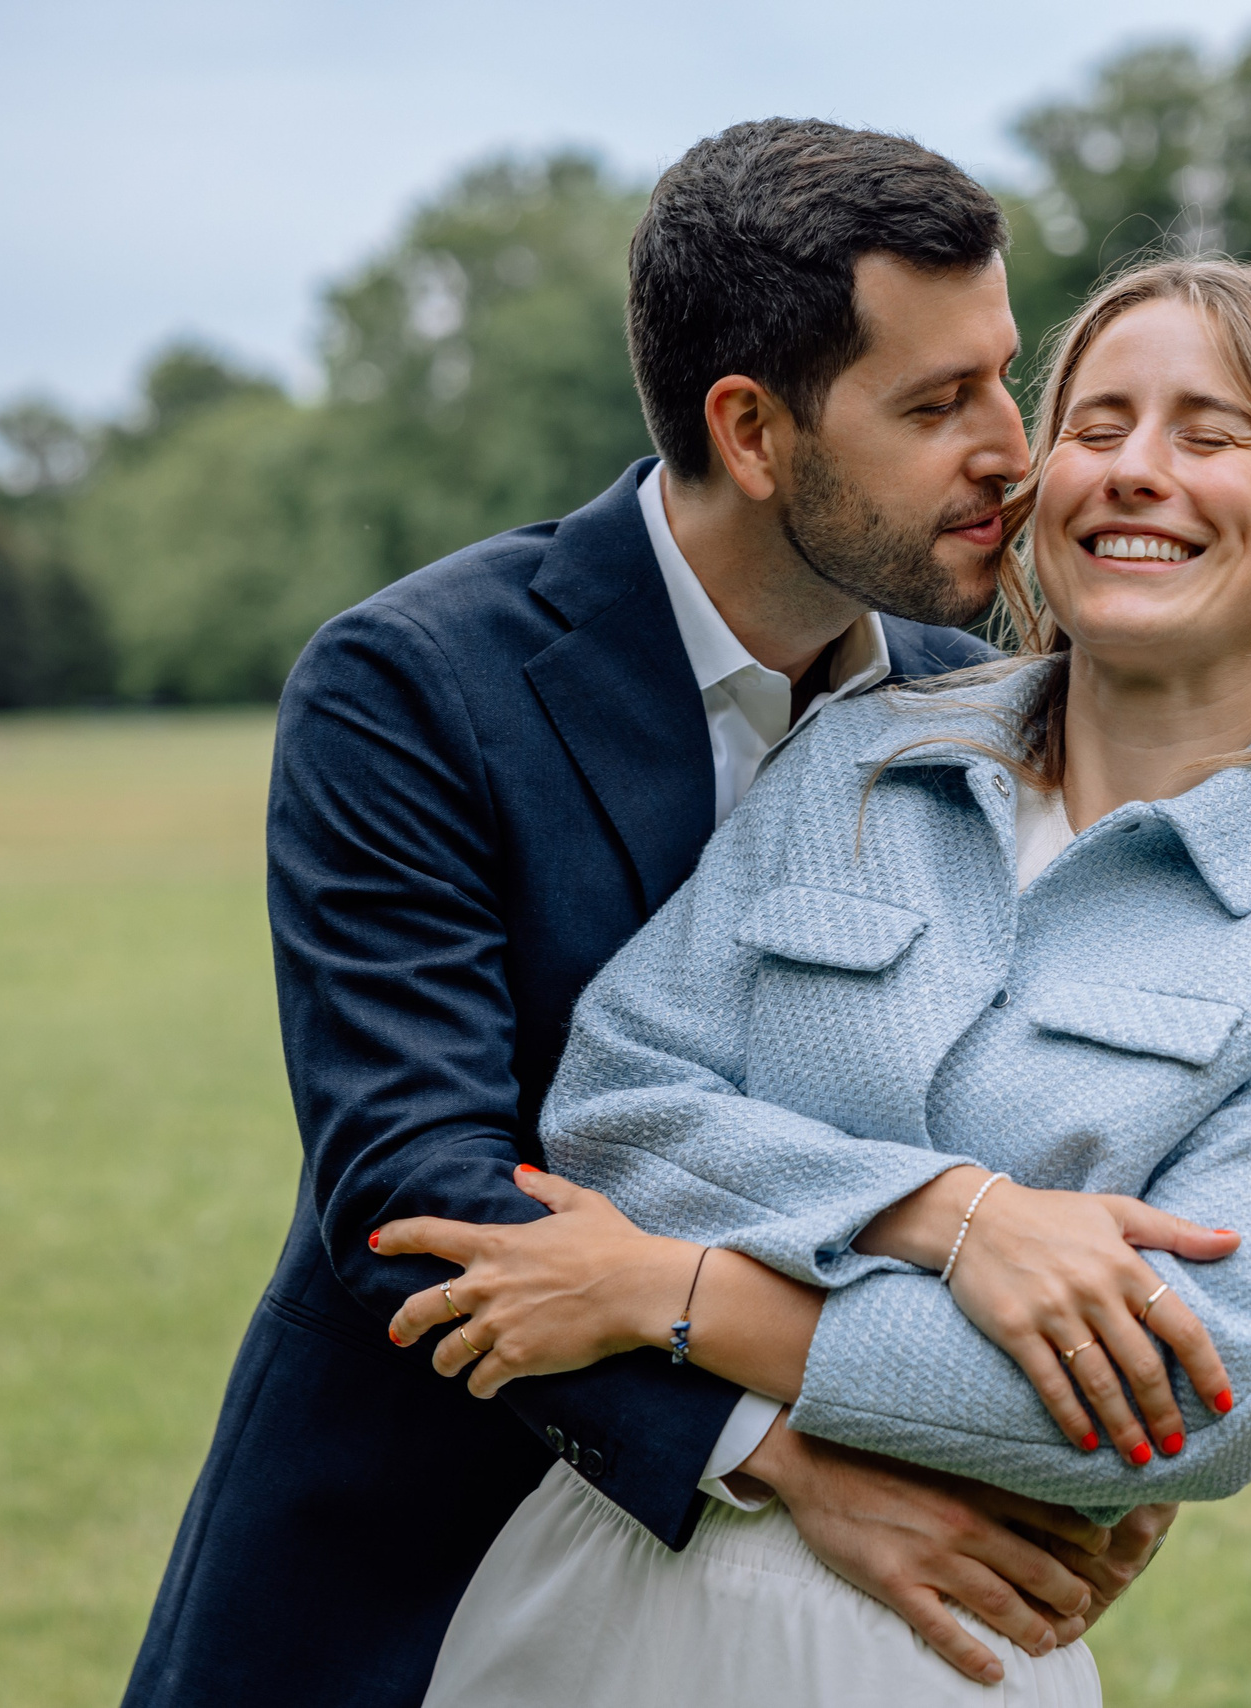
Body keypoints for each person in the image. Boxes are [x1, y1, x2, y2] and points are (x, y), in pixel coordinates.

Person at [122, 120, 1178, 1708]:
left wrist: (1090, 1441)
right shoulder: (414, 686)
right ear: (752, 430)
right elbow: (417, 1193)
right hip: (429, 1556)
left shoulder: (988, 701)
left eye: (1002, 377)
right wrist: (789, 1452)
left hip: (865, 1620)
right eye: (935, 402)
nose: (1012, 451)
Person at [373, 256, 1251, 1704]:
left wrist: (672, 1288)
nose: (1139, 473)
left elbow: (1177, 1406)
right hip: (588, 1602)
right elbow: (614, 1110)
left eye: (1211, 437)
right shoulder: (856, 754)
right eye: (1096, 426)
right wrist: (957, 1226)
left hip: (936, 1652)